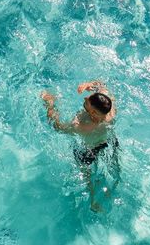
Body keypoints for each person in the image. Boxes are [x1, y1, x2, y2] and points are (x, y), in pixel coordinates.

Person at [41, 81, 120, 212]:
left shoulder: (80, 126)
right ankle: (111, 192)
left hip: (87, 151)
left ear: (93, 112)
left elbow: (57, 126)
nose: (85, 97)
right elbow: (102, 85)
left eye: (88, 100)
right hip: (109, 143)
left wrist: (49, 104)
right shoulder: (109, 110)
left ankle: (94, 201)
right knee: (114, 169)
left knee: (88, 177)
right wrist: (89, 84)